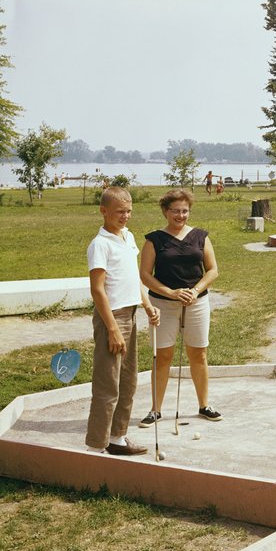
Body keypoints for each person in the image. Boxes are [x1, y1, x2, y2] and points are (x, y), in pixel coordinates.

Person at [138, 188, 221, 427]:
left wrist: (195, 291)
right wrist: (171, 292)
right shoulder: (154, 239)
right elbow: (145, 275)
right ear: (165, 211)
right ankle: (156, 410)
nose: (180, 215)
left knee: (199, 353)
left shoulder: (201, 236)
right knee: (163, 356)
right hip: (163, 304)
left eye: (185, 211)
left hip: (197, 303)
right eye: (175, 211)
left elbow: (213, 270)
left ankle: (204, 405)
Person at [86, 187, 160, 456]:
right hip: (112, 318)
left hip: (130, 314)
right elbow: (98, 290)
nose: (125, 216)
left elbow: (133, 277)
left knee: (128, 381)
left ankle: (117, 438)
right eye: (119, 212)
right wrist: (113, 329)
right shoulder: (100, 244)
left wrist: (148, 305)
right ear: (103, 211)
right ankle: (96, 446)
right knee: (108, 384)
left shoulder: (127, 237)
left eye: (129, 211)